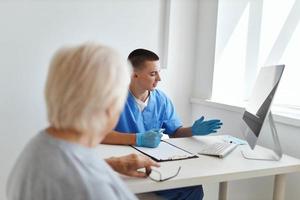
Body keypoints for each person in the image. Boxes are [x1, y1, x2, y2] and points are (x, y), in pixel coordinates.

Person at [6, 43, 160, 200]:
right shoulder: (90, 187)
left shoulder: (41, 145)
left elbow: (66, 170)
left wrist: (109, 164)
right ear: (108, 106)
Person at [102, 48, 223, 200]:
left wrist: (193, 130)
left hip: (156, 162)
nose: (159, 78)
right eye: (153, 74)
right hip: (125, 164)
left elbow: (176, 132)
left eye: (159, 73)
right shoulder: (113, 98)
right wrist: (137, 138)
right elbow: (100, 134)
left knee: (193, 188)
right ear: (134, 74)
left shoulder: (161, 99)